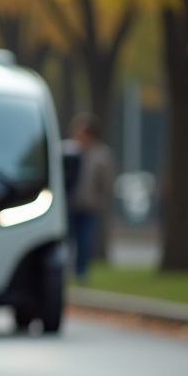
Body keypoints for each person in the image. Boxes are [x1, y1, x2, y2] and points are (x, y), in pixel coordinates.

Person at [68, 113, 116, 284]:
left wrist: (100, 202)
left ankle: (81, 273)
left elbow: (107, 182)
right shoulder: (70, 150)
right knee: (68, 240)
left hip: (89, 206)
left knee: (85, 240)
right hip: (70, 205)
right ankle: (66, 271)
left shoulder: (102, 154)